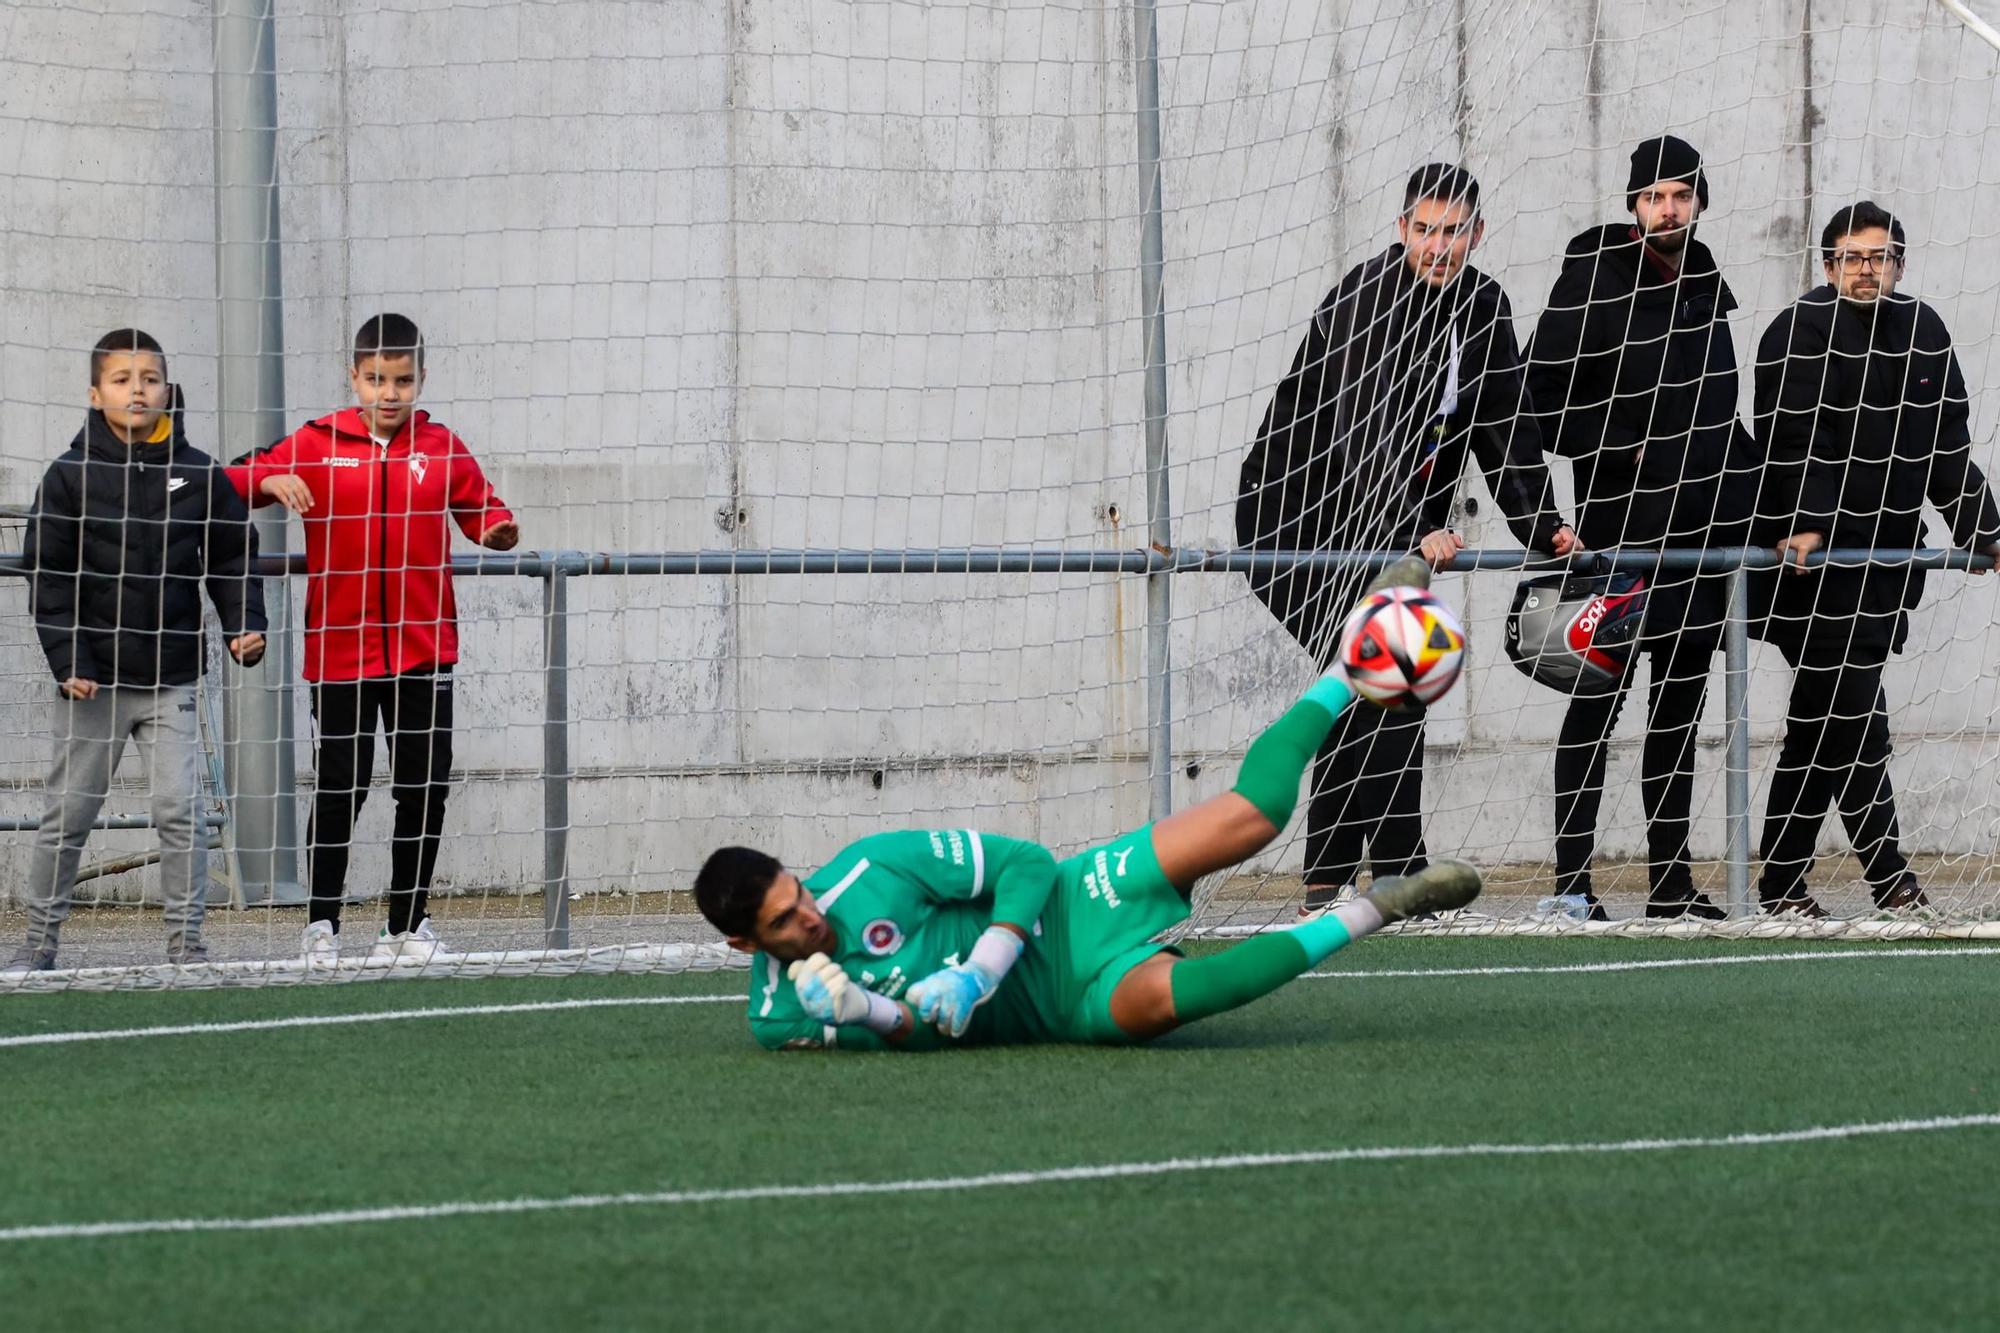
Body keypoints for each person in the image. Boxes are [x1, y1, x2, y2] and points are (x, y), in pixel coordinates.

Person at [696, 558, 1483, 1052]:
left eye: (795, 892)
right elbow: (909, 1033)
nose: (807, 915)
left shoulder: (869, 868)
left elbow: (1027, 863)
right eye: (783, 922)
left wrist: (980, 969)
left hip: (1073, 903)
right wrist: (865, 1009)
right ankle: (1380, 906)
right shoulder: (777, 1017)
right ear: (744, 943)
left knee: (1254, 815)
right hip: (1064, 1007)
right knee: (1190, 997)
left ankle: (1349, 665)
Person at [1236, 163, 1576, 916]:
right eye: (1424, 230)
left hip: (1389, 522)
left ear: (1476, 234)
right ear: (1402, 230)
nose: (1438, 246)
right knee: (1390, 674)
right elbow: (1365, 431)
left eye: (1453, 232)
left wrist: (1542, 522)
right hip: (1297, 518)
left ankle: (1337, 879)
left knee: (1376, 683)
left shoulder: (1485, 306)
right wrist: (1412, 530)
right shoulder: (1367, 298)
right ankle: (1391, 871)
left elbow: (1504, 427)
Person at [227, 314, 520, 963]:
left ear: (420, 379)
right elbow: (231, 481)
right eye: (376, 379)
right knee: (342, 784)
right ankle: (321, 925)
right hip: (341, 653)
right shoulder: (317, 440)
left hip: (425, 649)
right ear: (354, 376)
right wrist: (269, 480)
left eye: (402, 379)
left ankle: (405, 926)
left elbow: (482, 507)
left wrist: (498, 527)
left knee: (424, 785)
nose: (389, 392)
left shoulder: (441, 446)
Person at [1747, 202, 2000, 917]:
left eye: (1880, 256)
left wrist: (1983, 527)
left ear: (1900, 262)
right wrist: (1804, 524)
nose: (1866, 269)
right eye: (1852, 258)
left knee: (1827, 723)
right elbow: (1790, 443)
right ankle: (1883, 879)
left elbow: (1946, 448)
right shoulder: (1795, 331)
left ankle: (1789, 886)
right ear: (1828, 266)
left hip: (1886, 568)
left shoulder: (1925, 331)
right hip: (1812, 570)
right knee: (1854, 719)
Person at [1524, 134, 1749, 921]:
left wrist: (1760, 506)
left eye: (1681, 195)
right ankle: (1571, 887)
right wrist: (1627, 443)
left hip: (1703, 545)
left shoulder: (1708, 287)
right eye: (1653, 196)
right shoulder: (1591, 281)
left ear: (1698, 202)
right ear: (1633, 206)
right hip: (1617, 544)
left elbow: (1724, 418)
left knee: (1678, 718)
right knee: (1593, 707)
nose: (1667, 209)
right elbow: (1537, 404)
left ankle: (1670, 887)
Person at [11, 329, 267, 970]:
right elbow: (49, 575)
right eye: (122, 380)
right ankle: (38, 944)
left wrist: (243, 624)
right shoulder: (68, 476)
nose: (137, 390)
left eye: (149, 379)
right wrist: (71, 662)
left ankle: (187, 945)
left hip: (174, 676)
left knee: (180, 813)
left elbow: (233, 556)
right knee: (67, 814)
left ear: (167, 388)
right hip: (92, 683)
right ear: (96, 393)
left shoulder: (201, 472)